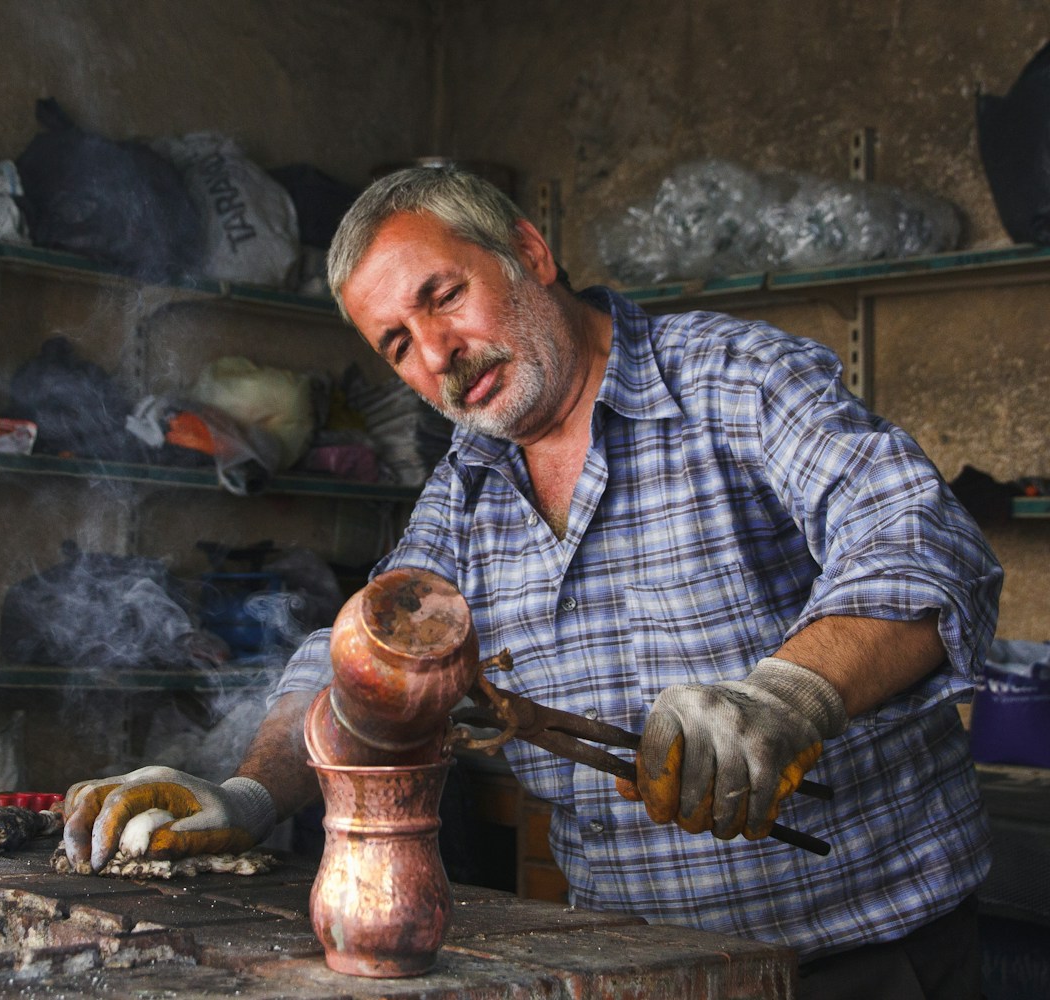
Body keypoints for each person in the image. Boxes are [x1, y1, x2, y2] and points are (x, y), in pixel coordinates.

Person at [62, 166, 1001, 997]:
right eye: (396, 343)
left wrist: (788, 697)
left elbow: (918, 540)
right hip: (642, 973)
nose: (436, 354)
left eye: (444, 296)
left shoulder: (731, 379)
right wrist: (252, 794)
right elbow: (362, 656)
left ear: (529, 251)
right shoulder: (468, 488)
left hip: (866, 961)